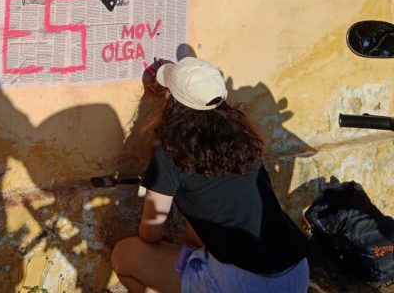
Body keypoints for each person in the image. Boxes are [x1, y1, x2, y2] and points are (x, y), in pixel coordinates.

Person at [111, 57, 309, 292]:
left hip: (245, 284)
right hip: (296, 273)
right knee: (194, 238)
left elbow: (151, 231)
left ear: (171, 100)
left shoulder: (170, 152)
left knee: (124, 255)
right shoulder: (243, 138)